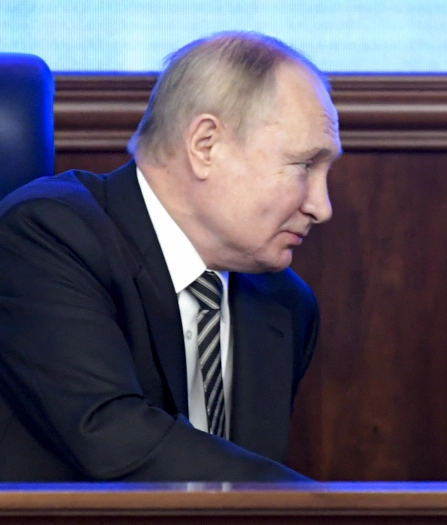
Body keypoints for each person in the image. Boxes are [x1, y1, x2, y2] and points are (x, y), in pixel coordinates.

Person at [0, 32, 340, 481]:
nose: (322, 206)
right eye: (305, 166)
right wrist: (318, 505)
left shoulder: (287, 303)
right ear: (205, 145)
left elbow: (239, 475)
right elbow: (114, 439)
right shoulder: (47, 236)